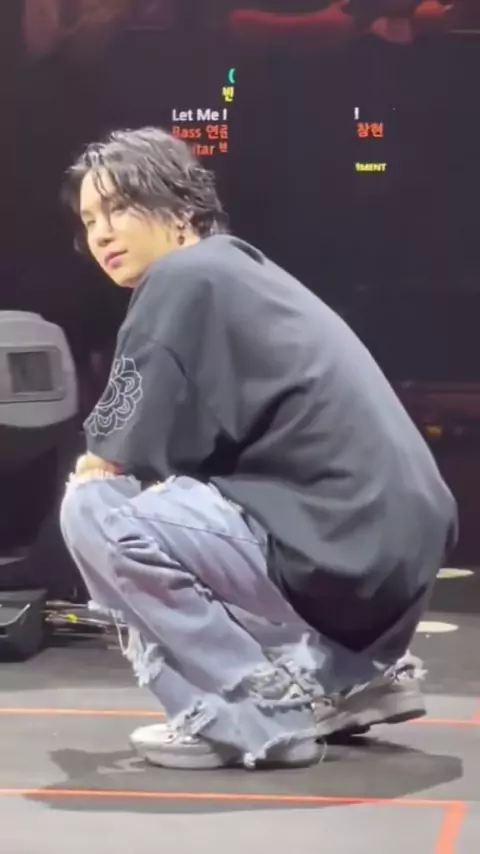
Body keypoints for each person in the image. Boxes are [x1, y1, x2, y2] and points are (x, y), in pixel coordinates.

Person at [60, 126, 457, 771]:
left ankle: (246, 714)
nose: (102, 233)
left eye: (120, 208)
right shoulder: (239, 272)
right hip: (391, 543)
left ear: (180, 209)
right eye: (89, 220)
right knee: (172, 507)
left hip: (336, 541)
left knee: (95, 507)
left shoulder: (182, 277)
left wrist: (101, 471)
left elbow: (109, 458)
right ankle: (354, 678)